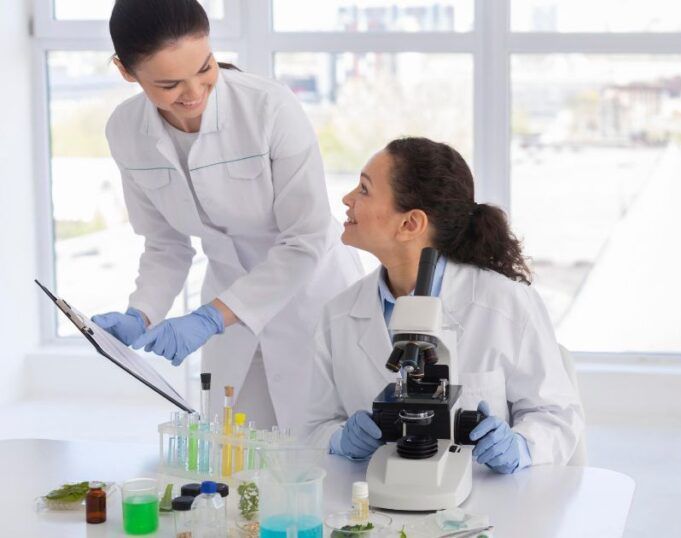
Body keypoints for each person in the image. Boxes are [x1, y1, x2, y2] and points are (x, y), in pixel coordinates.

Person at [91, 0, 363, 430]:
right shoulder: (125, 131)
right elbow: (165, 245)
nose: (194, 93)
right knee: (234, 452)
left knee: (318, 455)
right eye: (169, 84)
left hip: (311, 296)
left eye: (205, 68)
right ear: (127, 71)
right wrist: (140, 313)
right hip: (228, 306)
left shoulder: (270, 109)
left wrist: (212, 316)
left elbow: (304, 239)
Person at [303, 137, 583, 473]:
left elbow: (557, 416)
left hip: (485, 508)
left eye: (364, 189)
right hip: (372, 505)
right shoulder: (339, 315)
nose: (347, 199)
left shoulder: (505, 305)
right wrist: (339, 441)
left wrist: (521, 447)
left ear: (410, 224)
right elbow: (313, 426)